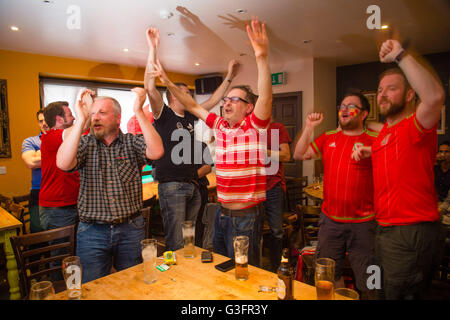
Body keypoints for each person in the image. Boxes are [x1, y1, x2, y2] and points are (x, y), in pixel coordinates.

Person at [150, 18, 272, 267]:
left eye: (234, 100)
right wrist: (168, 82)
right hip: (222, 214)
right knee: (222, 268)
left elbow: (266, 95)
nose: (226, 102)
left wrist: (261, 58)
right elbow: (193, 105)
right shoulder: (219, 125)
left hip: (246, 216)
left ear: (249, 107)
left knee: (246, 271)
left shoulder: (255, 126)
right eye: (225, 99)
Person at [353, 39, 445, 299]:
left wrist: (400, 56)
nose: (382, 94)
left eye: (391, 89)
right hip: (385, 229)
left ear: (409, 95)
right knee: (381, 292)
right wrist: (368, 151)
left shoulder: (416, 126)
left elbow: (435, 96)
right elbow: (390, 153)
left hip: (409, 230)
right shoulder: (387, 134)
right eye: (380, 90)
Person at [144, 27, 239, 251]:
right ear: (174, 97)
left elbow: (214, 100)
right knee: (177, 242)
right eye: (185, 93)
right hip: (172, 187)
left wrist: (229, 77)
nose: (189, 97)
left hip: (193, 186)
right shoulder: (163, 114)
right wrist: (153, 49)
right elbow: (149, 87)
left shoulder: (189, 115)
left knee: (192, 242)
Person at [56, 87, 164, 283]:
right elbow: (63, 163)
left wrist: (139, 111)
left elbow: (156, 151)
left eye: (102, 113)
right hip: (92, 232)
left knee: (134, 284)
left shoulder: (131, 142)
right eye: (93, 113)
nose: (95, 117)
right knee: (93, 288)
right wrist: (81, 120)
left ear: (117, 119)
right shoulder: (85, 143)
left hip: (130, 228)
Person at [293, 91, 378, 299]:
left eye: (351, 106)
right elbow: (298, 154)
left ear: (364, 113)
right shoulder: (329, 137)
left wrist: (372, 151)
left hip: (365, 223)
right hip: (330, 221)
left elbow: (397, 154)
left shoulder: (375, 139)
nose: (345, 109)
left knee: (371, 279)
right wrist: (310, 128)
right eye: (342, 105)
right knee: (329, 275)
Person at [40, 101, 79, 231]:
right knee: (63, 250)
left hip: (73, 203)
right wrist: (86, 112)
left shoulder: (72, 136)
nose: (74, 118)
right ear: (59, 119)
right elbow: (81, 127)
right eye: (71, 114)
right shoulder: (50, 136)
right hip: (56, 209)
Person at [263, 121, 291, 272]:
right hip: (253, 187)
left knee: (276, 232)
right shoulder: (248, 129)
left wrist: (264, 151)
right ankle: (256, 268)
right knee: (253, 231)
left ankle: (277, 271)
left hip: (273, 187)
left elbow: (286, 156)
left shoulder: (277, 128)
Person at [21, 109, 48, 233]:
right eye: (40, 121)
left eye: (46, 120)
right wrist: (57, 153)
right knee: (38, 233)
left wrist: (40, 153)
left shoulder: (64, 138)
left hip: (62, 191)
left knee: (62, 234)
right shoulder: (30, 141)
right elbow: (31, 162)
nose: (44, 124)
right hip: (38, 191)